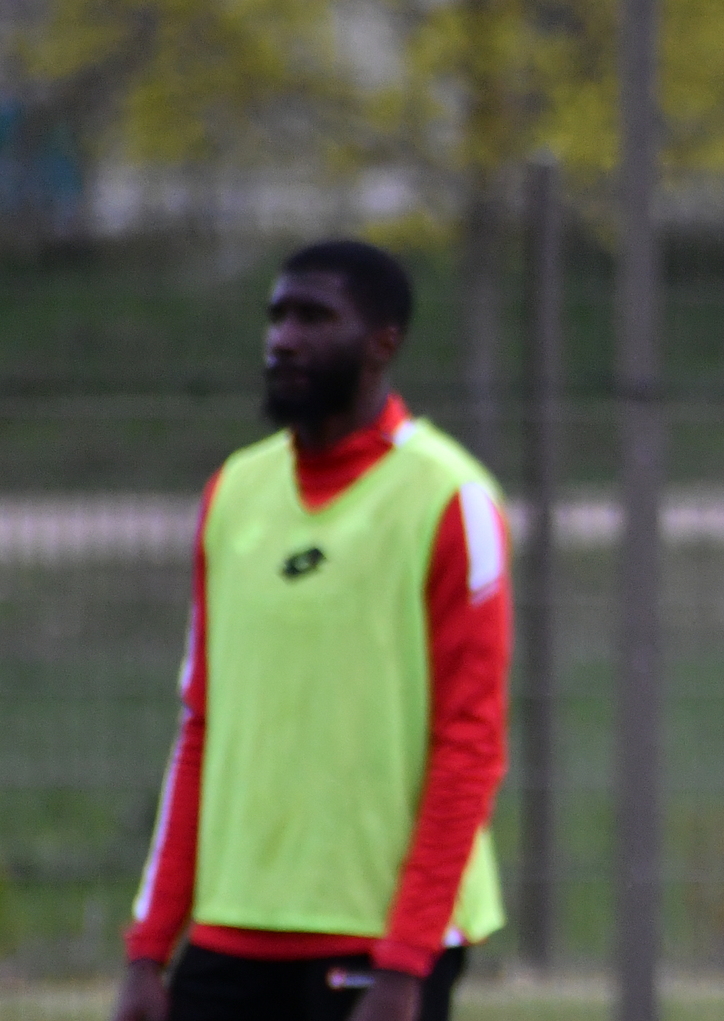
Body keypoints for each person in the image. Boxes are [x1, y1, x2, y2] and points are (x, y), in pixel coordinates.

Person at [111, 240, 511, 1021]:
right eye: (277, 316)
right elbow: (201, 724)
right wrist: (149, 945)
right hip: (230, 927)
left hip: (377, 939)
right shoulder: (235, 490)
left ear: (383, 343)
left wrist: (405, 964)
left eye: (314, 317)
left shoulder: (450, 497)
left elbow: (470, 745)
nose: (283, 339)